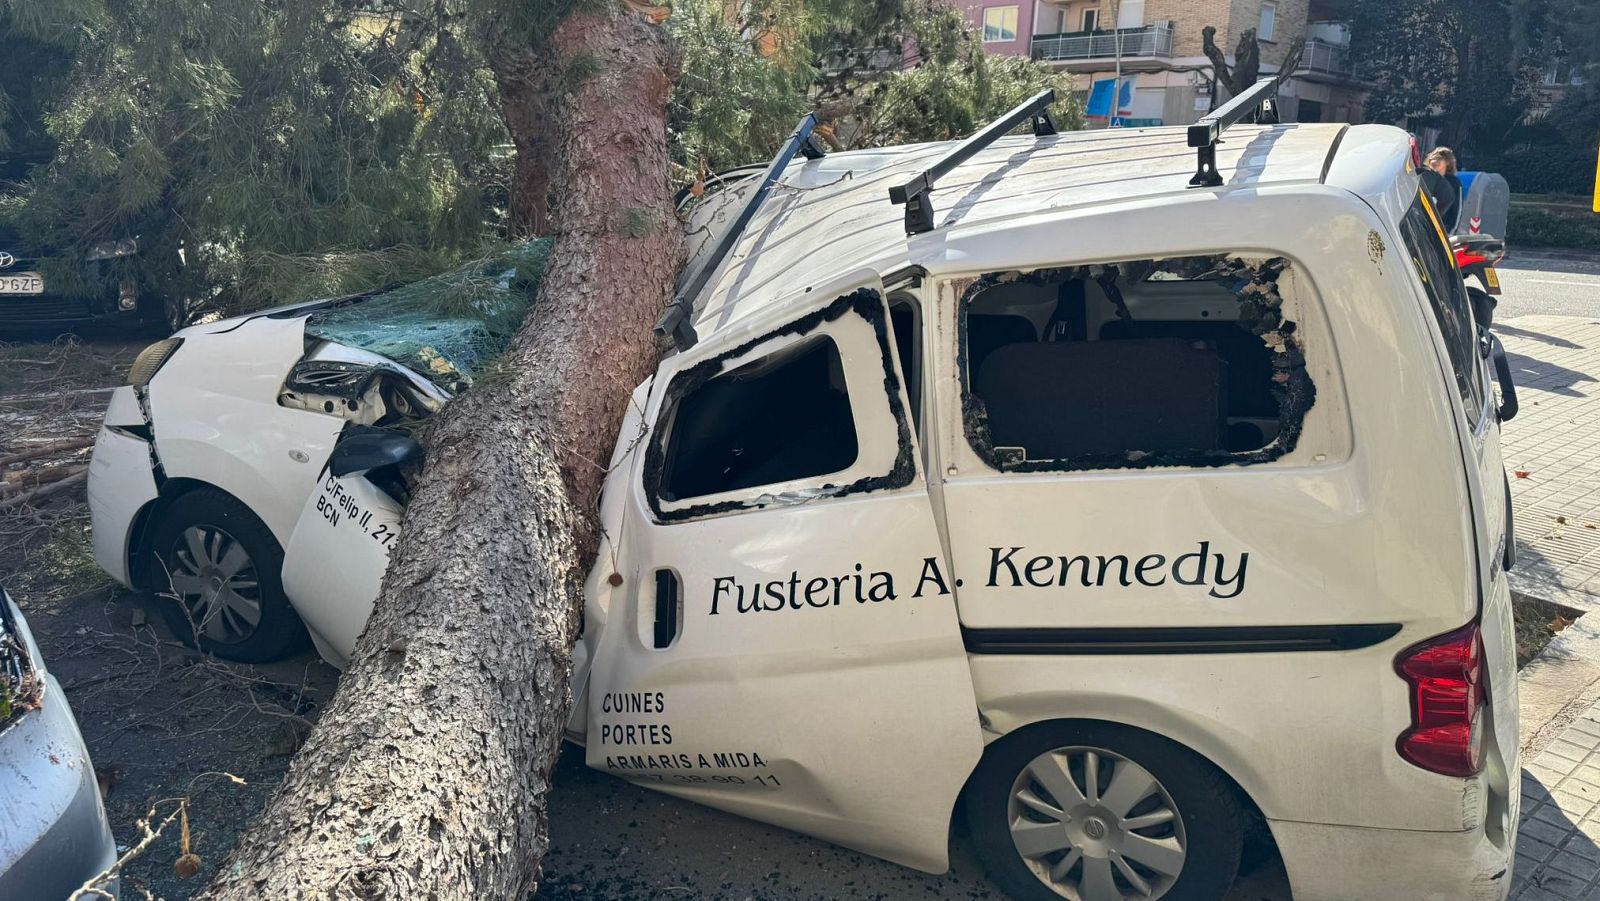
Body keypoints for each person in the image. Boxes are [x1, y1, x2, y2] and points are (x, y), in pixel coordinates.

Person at [1421, 147, 1464, 233]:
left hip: (1442, 230)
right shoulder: (1423, 176)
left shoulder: (1454, 183)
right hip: (1421, 225)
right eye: (1433, 157)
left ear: (1447, 162)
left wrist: (1449, 232)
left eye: (1439, 158)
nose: (1434, 161)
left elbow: (1456, 211)